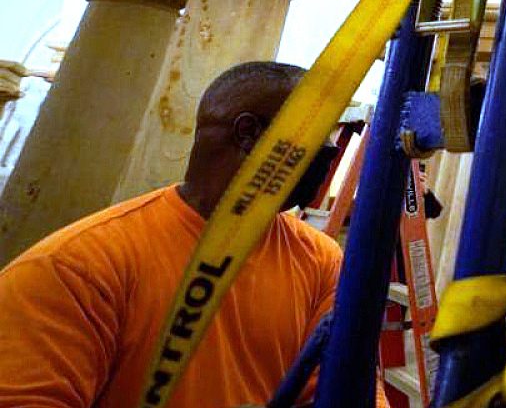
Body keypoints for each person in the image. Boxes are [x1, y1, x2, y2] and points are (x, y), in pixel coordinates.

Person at [0, 61, 378, 408]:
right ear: (248, 133)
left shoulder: (320, 258)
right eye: (319, 137)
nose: (330, 152)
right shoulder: (77, 267)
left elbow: (344, 387)